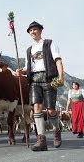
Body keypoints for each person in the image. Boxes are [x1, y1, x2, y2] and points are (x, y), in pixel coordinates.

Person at [16, 21, 64, 151]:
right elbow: (28, 67)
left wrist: (61, 76)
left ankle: (56, 129)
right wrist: (22, 71)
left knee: (50, 110)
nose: (32, 32)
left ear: (41, 30)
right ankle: (41, 139)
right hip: (34, 80)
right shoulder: (29, 49)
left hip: (48, 78)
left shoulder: (49, 43)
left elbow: (58, 60)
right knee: (36, 107)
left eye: (35, 29)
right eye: (30, 30)